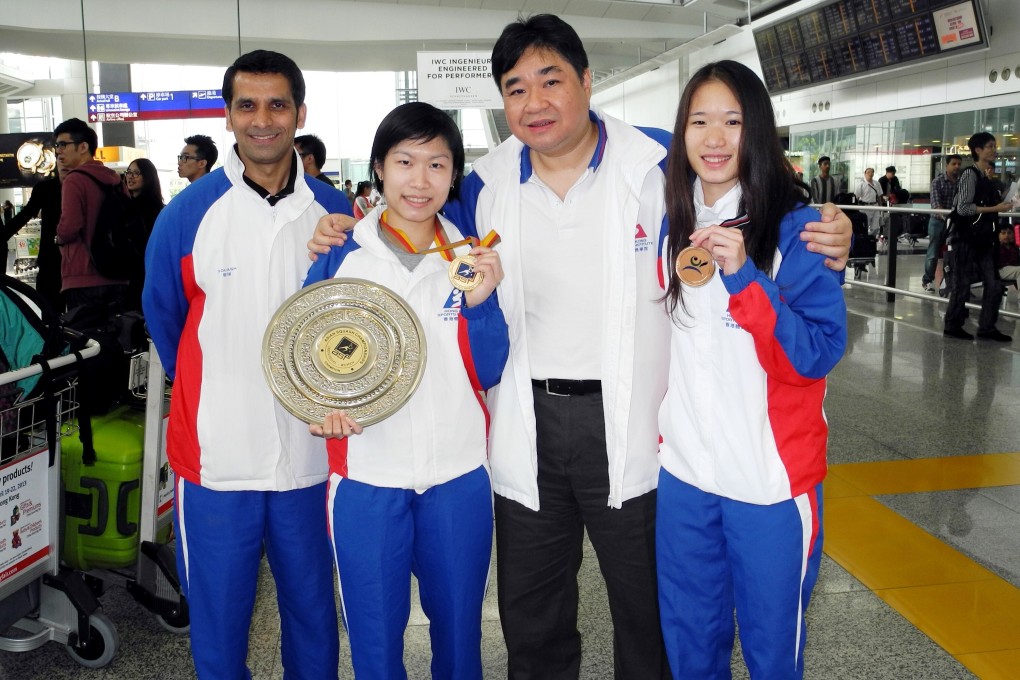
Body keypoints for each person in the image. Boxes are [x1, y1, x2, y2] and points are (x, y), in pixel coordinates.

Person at [309, 15, 852, 680]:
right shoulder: (484, 182)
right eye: (515, 89)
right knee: (532, 615)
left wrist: (827, 226)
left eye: (551, 81)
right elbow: (415, 220)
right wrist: (341, 229)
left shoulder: (656, 164)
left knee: (648, 616)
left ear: (587, 82)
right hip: (526, 423)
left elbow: (741, 184)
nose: (534, 103)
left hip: (636, 425)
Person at [143, 50, 352, 680]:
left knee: (314, 618)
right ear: (229, 116)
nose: (263, 120)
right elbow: (166, 320)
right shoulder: (188, 215)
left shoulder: (335, 212)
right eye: (247, 105)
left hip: (314, 454)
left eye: (277, 104)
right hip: (216, 459)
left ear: (300, 113)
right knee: (218, 625)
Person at [657, 59, 847, 680]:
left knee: (772, 652)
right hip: (686, 473)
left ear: (758, 130)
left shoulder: (799, 230)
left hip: (769, 480)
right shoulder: (665, 217)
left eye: (732, 121)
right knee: (690, 641)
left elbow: (815, 353)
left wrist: (746, 279)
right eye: (699, 121)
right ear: (680, 132)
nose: (714, 139)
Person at [306, 101, 509, 680]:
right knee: (374, 642)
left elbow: (490, 367)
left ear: (453, 176)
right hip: (368, 474)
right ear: (379, 168)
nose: (420, 181)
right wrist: (321, 407)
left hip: (459, 474)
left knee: (460, 636)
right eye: (405, 162)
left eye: (437, 165)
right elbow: (304, 355)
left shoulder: (473, 256)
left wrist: (480, 304)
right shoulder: (339, 254)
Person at [53, 117, 128, 317]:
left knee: (89, 344)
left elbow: (70, 226)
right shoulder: (114, 179)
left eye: (63, 144)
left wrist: (58, 238)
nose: (58, 150)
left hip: (83, 275)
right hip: (118, 273)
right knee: (115, 341)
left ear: (83, 147)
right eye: (57, 145)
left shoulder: (75, 179)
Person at [943, 132, 1013, 342]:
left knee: (994, 283)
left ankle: (987, 327)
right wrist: (996, 207)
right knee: (962, 284)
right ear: (978, 150)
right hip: (966, 238)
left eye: (994, 146)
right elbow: (963, 208)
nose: (994, 149)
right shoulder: (969, 175)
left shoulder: (985, 177)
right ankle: (953, 325)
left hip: (984, 238)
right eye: (990, 146)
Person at [0, 169, 65, 311]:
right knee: (51, 315)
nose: (61, 154)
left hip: (75, 265)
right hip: (50, 262)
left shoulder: (85, 185)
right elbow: (26, 214)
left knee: (79, 319)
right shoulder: (45, 188)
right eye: (59, 147)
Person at [123, 158, 164, 311]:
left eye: (136, 173)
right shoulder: (128, 205)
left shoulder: (149, 209)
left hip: (142, 273)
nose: (130, 176)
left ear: (148, 177)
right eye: (129, 172)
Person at [924, 155, 962, 293]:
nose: (957, 166)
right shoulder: (937, 182)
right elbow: (936, 204)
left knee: (957, 251)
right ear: (947, 165)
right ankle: (927, 280)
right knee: (933, 253)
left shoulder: (961, 183)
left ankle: (955, 281)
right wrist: (947, 218)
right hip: (938, 222)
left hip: (956, 222)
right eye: (954, 164)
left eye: (959, 164)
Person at [855, 167, 883, 236]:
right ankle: (865, 239)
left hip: (875, 206)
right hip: (865, 207)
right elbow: (857, 197)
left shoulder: (877, 184)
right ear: (865, 174)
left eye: (872, 172)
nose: (870, 174)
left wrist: (881, 208)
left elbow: (879, 196)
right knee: (865, 225)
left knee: (876, 227)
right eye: (868, 172)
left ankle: (871, 239)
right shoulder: (861, 184)